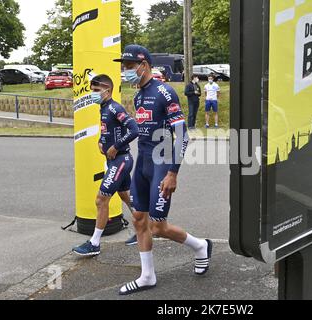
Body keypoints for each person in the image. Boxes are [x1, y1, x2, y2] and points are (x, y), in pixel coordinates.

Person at [114, 45, 213, 295]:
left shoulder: (164, 92)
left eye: (128, 66)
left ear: (143, 64)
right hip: (142, 163)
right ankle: (147, 275)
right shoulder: (138, 95)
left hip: (162, 163)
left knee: (158, 226)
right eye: (123, 67)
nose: (125, 71)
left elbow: (181, 135)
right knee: (138, 219)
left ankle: (200, 246)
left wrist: (172, 172)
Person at [72, 75, 139, 256]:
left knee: (101, 200)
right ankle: (145, 228)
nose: (93, 94)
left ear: (107, 91)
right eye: (91, 90)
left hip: (121, 161)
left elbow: (134, 129)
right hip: (116, 161)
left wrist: (115, 147)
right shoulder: (103, 108)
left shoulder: (114, 108)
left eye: (96, 91)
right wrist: (101, 142)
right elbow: (109, 130)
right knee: (127, 197)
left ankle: (94, 243)